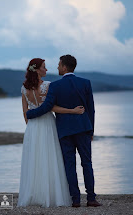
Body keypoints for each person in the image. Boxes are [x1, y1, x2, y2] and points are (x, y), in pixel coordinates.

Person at [26, 55, 102, 207]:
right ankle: (91, 198)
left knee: (69, 164)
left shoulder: (55, 86)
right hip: (83, 128)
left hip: (64, 131)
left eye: (59, 65)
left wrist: (30, 114)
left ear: (65, 67)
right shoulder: (85, 83)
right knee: (87, 163)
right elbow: (91, 109)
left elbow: (47, 107)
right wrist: (91, 130)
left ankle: (75, 200)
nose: (57, 67)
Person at [17, 58, 85, 207]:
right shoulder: (48, 86)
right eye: (44, 67)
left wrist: (31, 128)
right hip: (48, 124)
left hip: (32, 127)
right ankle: (52, 195)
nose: (47, 70)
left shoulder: (24, 87)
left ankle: (34, 194)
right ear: (37, 70)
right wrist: (72, 111)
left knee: (35, 160)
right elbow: (52, 107)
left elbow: (25, 112)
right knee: (51, 158)